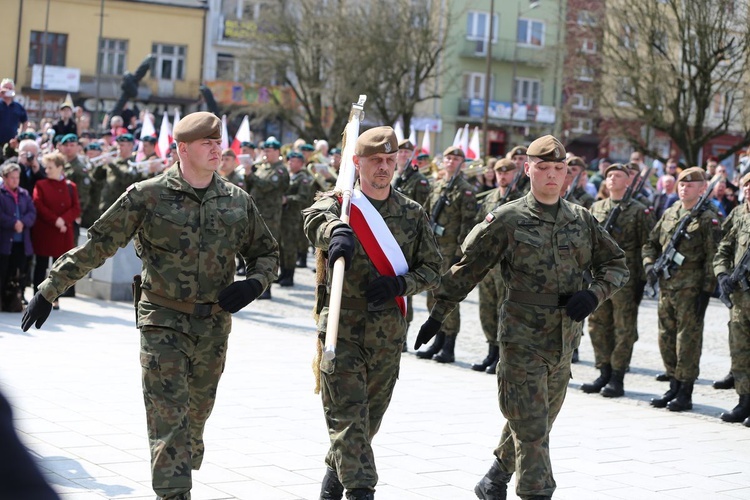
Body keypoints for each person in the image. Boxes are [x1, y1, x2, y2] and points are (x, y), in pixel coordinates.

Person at [21, 111, 279, 500]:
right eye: (206, 143)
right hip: (163, 322)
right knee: (168, 417)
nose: (216, 149)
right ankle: (174, 494)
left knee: (194, 419)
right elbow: (98, 244)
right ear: (182, 148)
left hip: (213, 327)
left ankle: (178, 468)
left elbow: (267, 253)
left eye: (217, 141)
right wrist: (49, 288)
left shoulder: (236, 200)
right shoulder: (147, 195)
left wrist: (254, 284)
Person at [415, 135, 627, 500]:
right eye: (543, 167)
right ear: (527, 169)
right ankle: (536, 493)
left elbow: (615, 264)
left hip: (564, 342)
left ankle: (494, 478)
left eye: (559, 169)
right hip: (521, 339)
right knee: (532, 431)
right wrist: (438, 316)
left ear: (567, 174)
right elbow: (468, 269)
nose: (551, 175)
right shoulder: (507, 219)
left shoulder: (582, 219)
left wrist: (594, 294)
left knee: (537, 424)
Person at [303, 126, 442, 500]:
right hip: (340, 330)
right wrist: (335, 230)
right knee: (348, 418)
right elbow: (312, 222)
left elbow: (433, 268)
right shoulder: (340, 204)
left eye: (389, 160)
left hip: (387, 333)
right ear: (357, 163)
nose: (383, 167)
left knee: (367, 421)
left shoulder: (411, 214)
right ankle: (361, 490)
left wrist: (401, 285)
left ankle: (334, 482)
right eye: (375, 160)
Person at [643, 167, 721, 412]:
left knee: (687, 341)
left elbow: (713, 256)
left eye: (690, 185)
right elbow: (651, 243)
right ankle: (673, 384)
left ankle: (685, 391)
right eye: (681, 184)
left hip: (692, 289)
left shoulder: (708, 218)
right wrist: (649, 266)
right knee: (665, 337)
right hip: (667, 286)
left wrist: (706, 292)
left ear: (701, 188)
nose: (684, 188)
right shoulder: (671, 212)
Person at [583, 163, 653, 397]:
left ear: (628, 181)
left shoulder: (639, 210)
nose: (613, 179)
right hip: (598, 276)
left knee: (624, 328)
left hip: (625, 279)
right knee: (597, 324)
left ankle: (617, 376)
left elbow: (647, 245)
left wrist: (642, 280)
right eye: (609, 175)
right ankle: (603, 369)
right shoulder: (597, 207)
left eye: (618, 175)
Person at [417, 146, 477, 363]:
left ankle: (448, 345)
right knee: (432, 296)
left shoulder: (465, 190)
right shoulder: (437, 186)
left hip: (451, 251)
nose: (451, 162)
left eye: (456, 158)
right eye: (448, 158)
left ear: (463, 163)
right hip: (434, 250)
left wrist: (460, 254)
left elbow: (468, 223)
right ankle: (436, 340)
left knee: (447, 298)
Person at [472, 158, 522, 374]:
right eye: (499, 172)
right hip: (488, 263)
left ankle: (502, 355)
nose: (503, 176)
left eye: (507, 172)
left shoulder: (520, 200)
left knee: (505, 310)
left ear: (514, 174)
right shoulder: (490, 198)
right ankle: (491, 350)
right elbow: (479, 224)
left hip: (507, 264)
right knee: (487, 309)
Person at [714, 172, 750, 426]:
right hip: (740, 297)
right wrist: (723, 274)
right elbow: (724, 248)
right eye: (747, 185)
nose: (748, 189)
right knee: (739, 350)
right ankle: (744, 401)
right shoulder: (738, 214)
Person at [31, 152, 81, 310]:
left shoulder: (70, 186)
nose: (47, 170)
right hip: (45, 232)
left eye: (50, 167)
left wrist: (64, 220)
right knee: (41, 265)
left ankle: (55, 298)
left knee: (58, 268)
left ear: (60, 167)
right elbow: (38, 204)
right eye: (46, 167)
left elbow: (76, 208)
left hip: (63, 232)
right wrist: (56, 220)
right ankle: (37, 296)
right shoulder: (41, 185)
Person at [245, 137, 290, 299]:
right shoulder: (262, 167)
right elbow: (250, 186)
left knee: (268, 251)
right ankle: (254, 282)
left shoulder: (280, 170)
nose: (266, 153)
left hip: (271, 217)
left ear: (277, 152)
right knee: (254, 250)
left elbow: (266, 186)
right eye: (264, 150)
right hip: (257, 213)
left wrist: (251, 173)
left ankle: (266, 287)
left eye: (269, 151)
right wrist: (249, 173)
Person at [0, 163, 36, 310]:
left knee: (17, 273)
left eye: (17, 177)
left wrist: (23, 222)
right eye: (12, 178)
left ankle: (13, 302)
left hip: (21, 241)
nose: (15, 181)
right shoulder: (1, 194)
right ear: (5, 178)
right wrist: (13, 223)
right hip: (5, 241)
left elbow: (32, 212)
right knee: (2, 272)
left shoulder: (24, 194)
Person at [278, 151, 314, 287]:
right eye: (289, 160)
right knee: (281, 245)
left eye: (293, 161)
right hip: (282, 215)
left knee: (289, 246)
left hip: (293, 216)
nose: (290, 163)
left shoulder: (303, 178)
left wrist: (288, 199)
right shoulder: (288, 176)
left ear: (300, 163)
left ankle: (289, 275)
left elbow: (303, 197)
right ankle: (283, 272)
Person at [0, 79, 28, 148]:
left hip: (11, 143)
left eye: (10, 88)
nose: (8, 90)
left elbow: (25, 121)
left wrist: (20, 136)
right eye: (6, 88)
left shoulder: (18, 107)